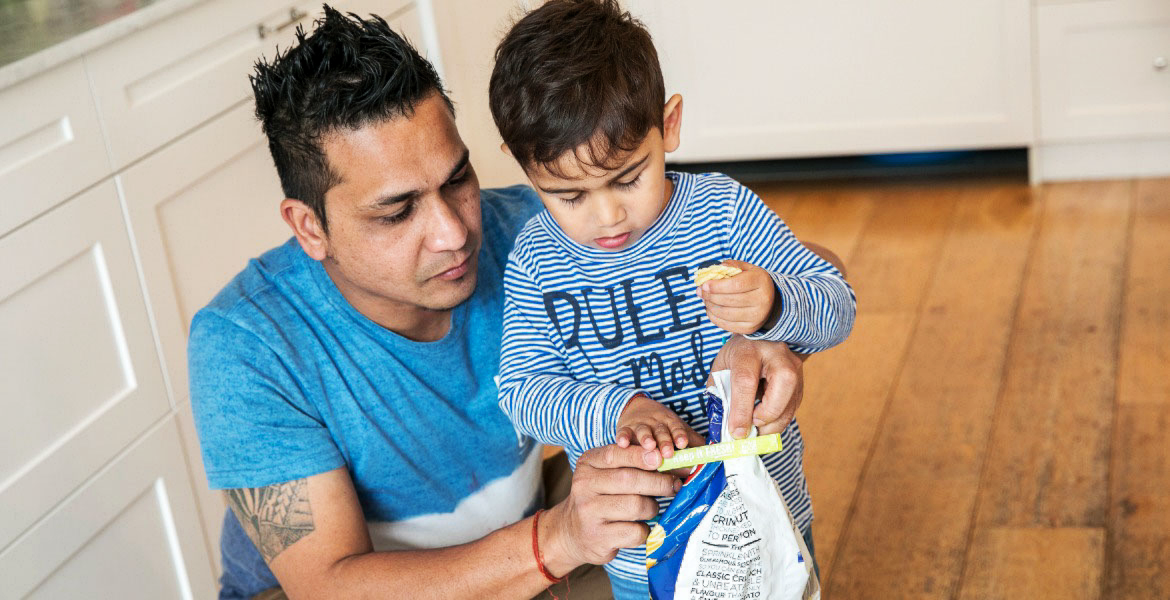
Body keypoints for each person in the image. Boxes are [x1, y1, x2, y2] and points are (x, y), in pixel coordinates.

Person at [188, 7, 820, 599]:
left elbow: (804, 264)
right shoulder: (244, 343)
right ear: (310, 228)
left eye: (458, 179)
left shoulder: (541, 231)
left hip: (528, 544)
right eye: (398, 210)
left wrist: (769, 333)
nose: (454, 232)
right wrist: (563, 538)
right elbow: (329, 584)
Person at [488, 1, 856, 596]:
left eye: (629, 178)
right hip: (643, 556)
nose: (608, 216)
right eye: (568, 195)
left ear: (671, 124)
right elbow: (523, 390)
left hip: (768, 524)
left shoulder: (723, 211)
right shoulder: (536, 259)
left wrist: (774, 306)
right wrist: (619, 411)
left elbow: (838, 304)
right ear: (522, 164)